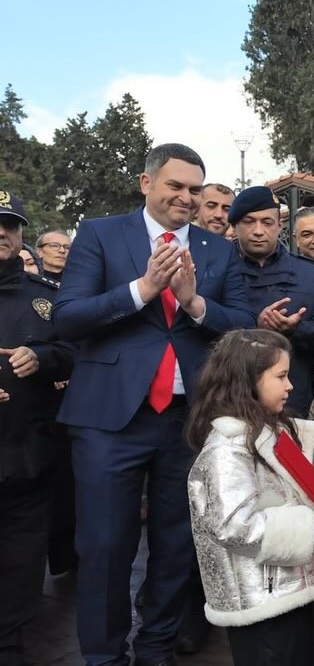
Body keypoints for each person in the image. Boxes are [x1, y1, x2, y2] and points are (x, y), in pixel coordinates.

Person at [52, 143, 255, 666]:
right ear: (147, 183)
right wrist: (142, 290)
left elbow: (243, 325)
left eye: (195, 189)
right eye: (176, 186)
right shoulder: (100, 234)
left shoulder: (217, 251)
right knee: (104, 545)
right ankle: (104, 656)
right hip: (108, 420)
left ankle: (156, 649)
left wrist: (194, 302)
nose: (187, 197)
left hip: (189, 422)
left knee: (178, 544)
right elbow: (68, 317)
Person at [186, 329, 314, 666]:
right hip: (262, 604)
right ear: (248, 382)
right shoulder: (227, 448)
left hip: (286, 591)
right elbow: (234, 527)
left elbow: (294, 496)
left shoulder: (271, 434)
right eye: (281, 376)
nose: (290, 385)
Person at [0, 191, 74, 665]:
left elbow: (74, 352)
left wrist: (43, 357)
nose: (0, 233)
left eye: (9, 225)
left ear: (21, 232)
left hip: (27, 453)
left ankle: (8, 642)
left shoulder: (45, 297)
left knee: (21, 559)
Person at [230, 186, 314, 417]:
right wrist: (255, 328)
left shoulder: (310, 274)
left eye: (267, 222)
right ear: (235, 226)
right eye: (249, 222)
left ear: (280, 226)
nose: (258, 231)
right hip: (232, 397)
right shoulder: (217, 269)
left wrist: (294, 329)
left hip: (293, 399)